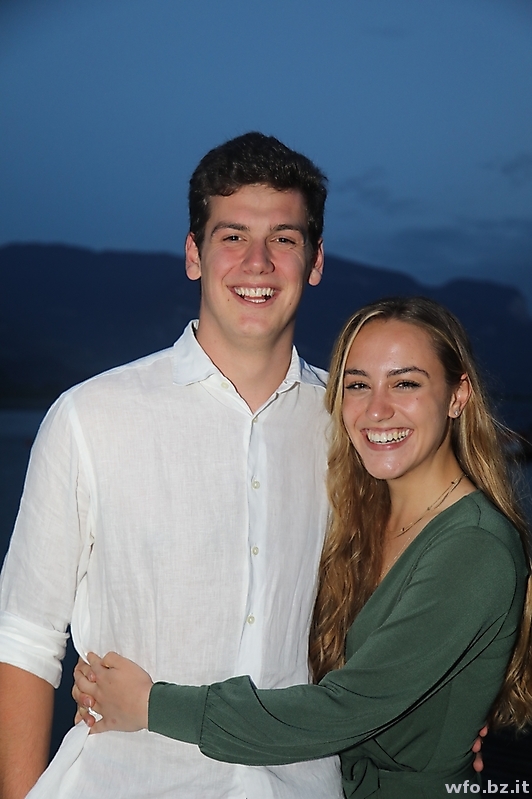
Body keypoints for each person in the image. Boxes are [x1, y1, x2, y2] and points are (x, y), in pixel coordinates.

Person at [73, 297, 532, 799]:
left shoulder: (474, 547)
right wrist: (108, 682)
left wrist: (150, 706)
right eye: (357, 385)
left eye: (406, 383)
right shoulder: (358, 518)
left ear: (457, 395)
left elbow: (340, 712)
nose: (377, 409)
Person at [0, 133, 344, 798]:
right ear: (194, 254)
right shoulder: (90, 417)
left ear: (315, 260)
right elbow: (26, 636)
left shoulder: (351, 426)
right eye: (232, 236)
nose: (258, 262)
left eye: (284, 238)